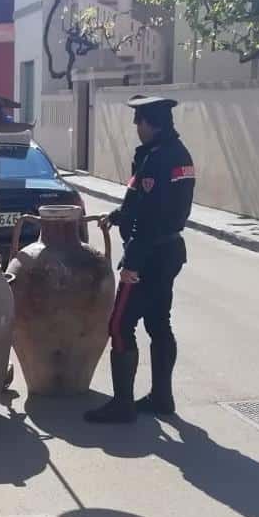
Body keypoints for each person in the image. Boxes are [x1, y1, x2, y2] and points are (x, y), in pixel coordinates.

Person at [84, 95, 195, 424]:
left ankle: (122, 405)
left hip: (148, 254)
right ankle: (162, 398)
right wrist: (118, 216)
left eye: (139, 121)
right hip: (169, 250)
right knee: (159, 322)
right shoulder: (178, 154)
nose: (136, 127)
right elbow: (154, 204)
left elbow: (150, 214)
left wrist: (132, 262)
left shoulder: (156, 159)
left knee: (119, 324)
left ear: (152, 123)